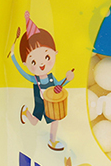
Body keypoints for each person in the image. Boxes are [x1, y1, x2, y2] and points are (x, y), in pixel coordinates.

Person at [10, 11, 74, 151]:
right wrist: (13, 56)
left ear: (55, 52)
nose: (41, 64)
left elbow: (58, 85)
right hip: (40, 103)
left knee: (55, 121)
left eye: (47, 57)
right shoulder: (35, 79)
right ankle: (26, 113)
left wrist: (67, 79)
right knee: (34, 122)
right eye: (33, 61)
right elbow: (21, 72)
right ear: (26, 63)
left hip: (51, 103)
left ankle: (52, 141)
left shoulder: (51, 77)